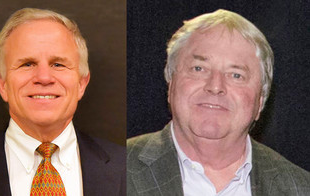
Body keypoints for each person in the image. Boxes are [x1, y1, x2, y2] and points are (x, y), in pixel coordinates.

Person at [126, 9, 310, 195]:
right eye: (199, 68)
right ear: (170, 83)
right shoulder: (115, 169)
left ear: (261, 101)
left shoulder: (300, 188)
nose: (215, 86)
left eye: (236, 75)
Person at [0, 8, 125, 195]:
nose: (43, 77)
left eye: (58, 64)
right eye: (27, 64)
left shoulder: (124, 166)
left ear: (82, 83)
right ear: (3, 84)